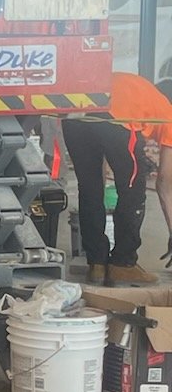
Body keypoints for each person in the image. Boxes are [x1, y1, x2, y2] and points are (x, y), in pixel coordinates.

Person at [61, 69, 168, 285]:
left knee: (90, 188)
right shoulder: (167, 114)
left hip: (74, 114)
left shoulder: (144, 91)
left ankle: (97, 265)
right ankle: (122, 264)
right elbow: (166, 183)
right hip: (118, 118)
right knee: (132, 189)